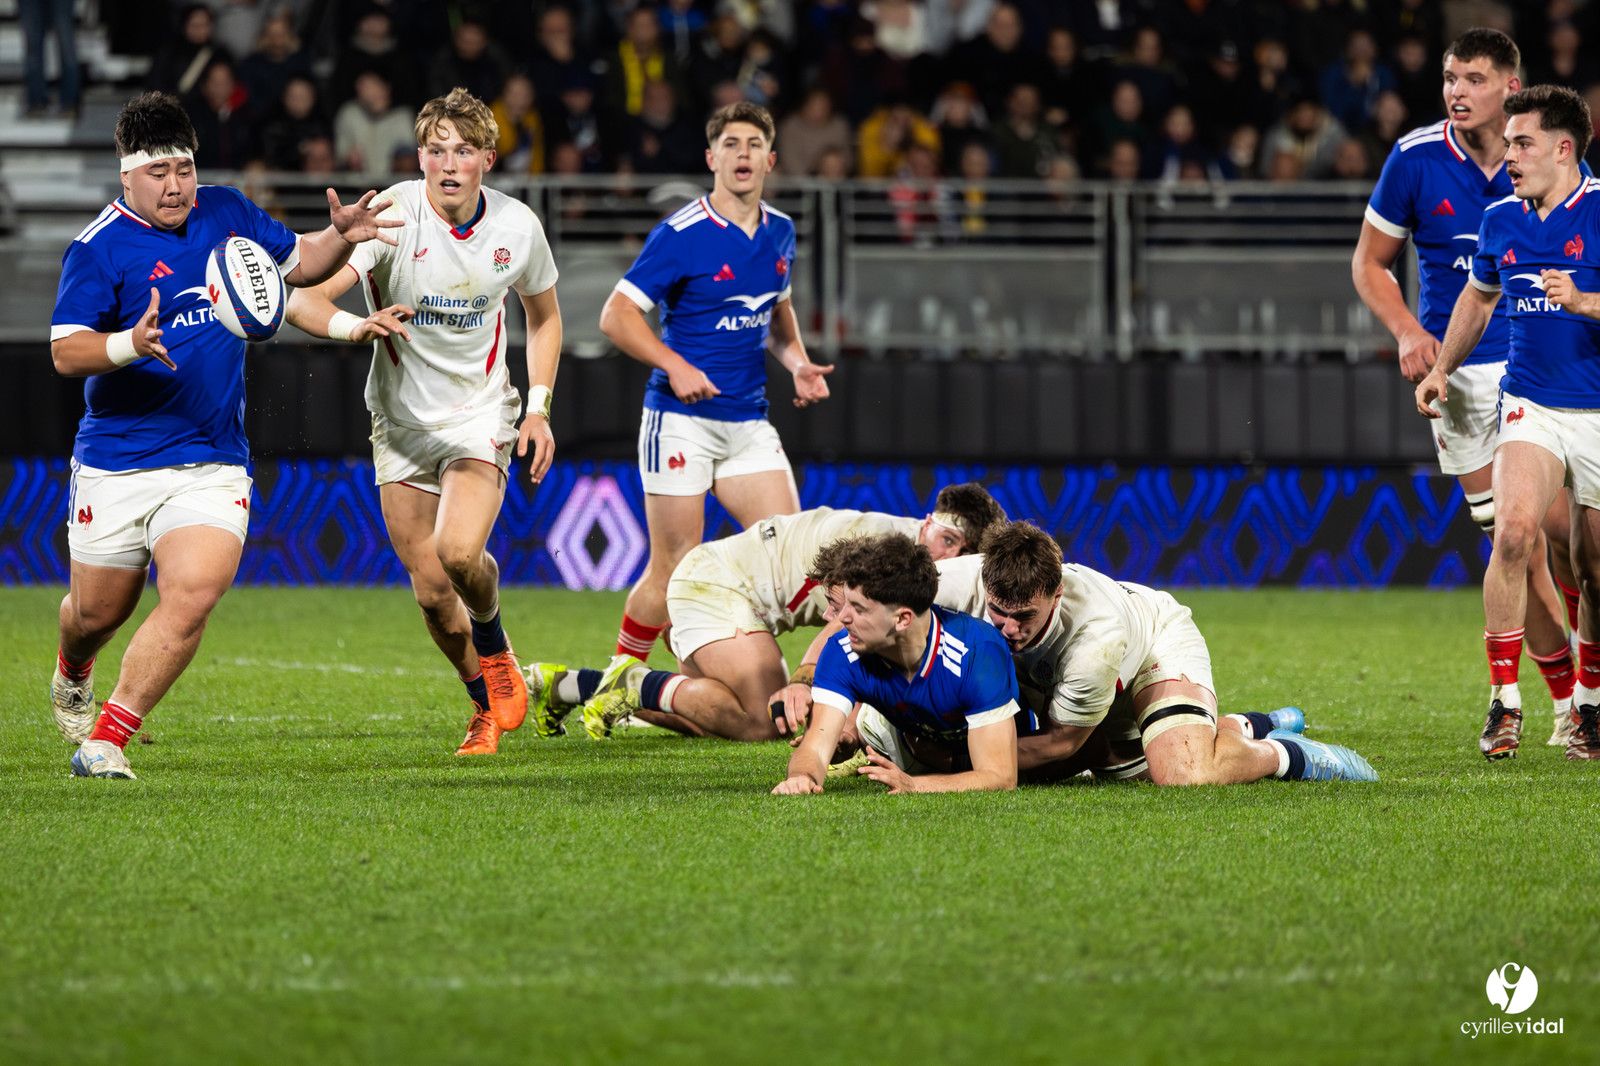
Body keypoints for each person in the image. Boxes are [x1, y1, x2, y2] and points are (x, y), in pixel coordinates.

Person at [48, 91, 400, 779]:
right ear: (127, 175)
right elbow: (66, 351)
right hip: (117, 461)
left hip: (210, 457)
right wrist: (128, 344)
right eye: (159, 173)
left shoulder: (228, 210)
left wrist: (342, 236)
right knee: (96, 612)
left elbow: (297, 268)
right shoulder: (97, 249)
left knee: (195, 592)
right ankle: (73, 666)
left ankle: (109, 738)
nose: (176, 185)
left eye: (183, 168)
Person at [285, 88, 563, 757]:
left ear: (487, 160)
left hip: (479, 417)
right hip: (402, 423)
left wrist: (539, 408)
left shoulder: (518, 227)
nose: (448, 162)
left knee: (459, 553)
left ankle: (495, 645)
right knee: (435, 598)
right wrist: (359, 325)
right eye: (436, 149)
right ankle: (482, 704)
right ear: (419, 156)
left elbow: (545, 316)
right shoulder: (390, 215)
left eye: (463, 150)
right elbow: (303, 301)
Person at [1354, 30, 1581, 758]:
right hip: (1458, 379)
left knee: (1567, 543)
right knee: (1519, 543)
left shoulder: (1543, 154)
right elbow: (1369, 264)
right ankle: (1563, 702)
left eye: (1473, 79)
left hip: (1542, 367)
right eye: (1450, 78)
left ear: (1510, 88)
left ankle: (1580, 696)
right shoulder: (1415, 158)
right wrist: (1407, 335)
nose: (1455, 91)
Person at [599, 101, 832, 665]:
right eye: (731, 144)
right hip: (680, 422)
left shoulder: (780, 231)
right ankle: (619, 678)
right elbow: (616, 317)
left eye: (753, 144)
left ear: (771, 159)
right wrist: (675, 364)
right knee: (674, 563)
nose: (742, 153)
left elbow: (776, 313)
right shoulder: (681, 234)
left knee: (795, 560)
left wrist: (797, 361)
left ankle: (734, 668)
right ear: (712, 158)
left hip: (749, 420)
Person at [1416, 84, 1600, 762]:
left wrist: (1585, 301)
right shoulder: (1502, 219)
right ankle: (1504, 701)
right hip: (1531, 402)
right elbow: (1477, 297)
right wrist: (1442, 367)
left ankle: (1590, 703)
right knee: (1515, 532)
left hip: (1599, 408)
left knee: (1593, 567)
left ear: (1562, 147)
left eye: (1521, 143)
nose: (1509, 153)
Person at [537, 484, 1007, 742]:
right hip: (716, 584)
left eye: (959, 549)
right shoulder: (890, 556)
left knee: (722, 717)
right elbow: (847, 624)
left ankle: (572, 685)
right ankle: (630, 681)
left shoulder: (917, 560)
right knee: (765, 719)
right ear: (927, 523)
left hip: (734, 595)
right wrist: (804, 681)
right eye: (944, 538)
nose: (948, 556)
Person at [932, 522, 1380, 785]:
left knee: (1183, 772)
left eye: (1024, 616)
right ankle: (1247, 723)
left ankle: (1292, 754)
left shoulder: (1096, 639)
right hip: (1075, 685)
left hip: (1152, 647)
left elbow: (1060, 743)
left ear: (1057, 592)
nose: (1008, 629)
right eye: (997, 612)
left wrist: (951, 766)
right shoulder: (963, 579)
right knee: (1119, 764)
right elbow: (886, 603)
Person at [773, 533, 1025, 795]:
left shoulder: (977, 653)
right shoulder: (842, 649)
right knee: (874, 727)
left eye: (859, 609)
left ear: (903, 619)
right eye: (845, 604)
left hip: (1000, 743)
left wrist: (916, 785)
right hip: (909, 736)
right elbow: (814, 746)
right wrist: (801, 778)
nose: (842, 618)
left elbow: (1000, 776)